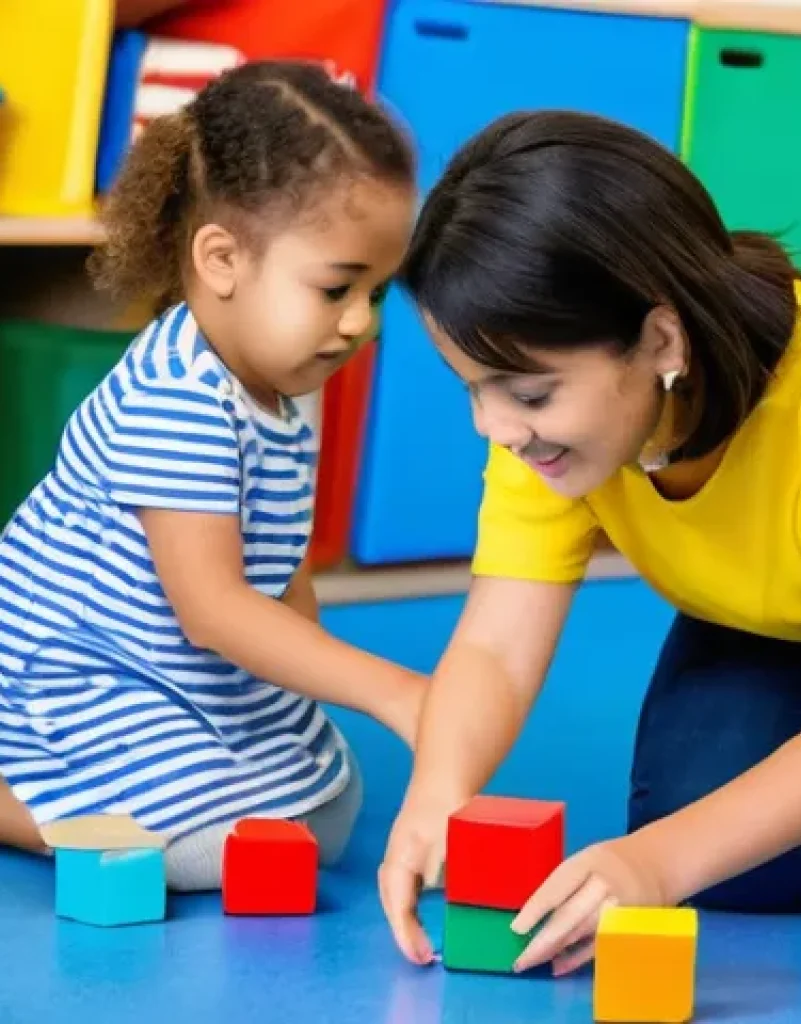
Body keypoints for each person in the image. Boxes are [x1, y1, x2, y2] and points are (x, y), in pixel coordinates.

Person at [378, 109, 801, 969]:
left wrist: (646, 865)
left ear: (661, 339)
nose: (495, 427)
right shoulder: (543, 430)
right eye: (473, 389)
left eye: (527, 395)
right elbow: (496, 645)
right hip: (782, 616)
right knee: (739, 877)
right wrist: (436, 796)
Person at [0, 61, 424, 890]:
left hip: (184, 663)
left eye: (377, 293)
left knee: (329, 812)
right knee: (192, 852)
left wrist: (304, 692)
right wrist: (394, 691)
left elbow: (281, 571)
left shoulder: (276, 380)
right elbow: (215, 610)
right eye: (337, 287)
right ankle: (17, 798)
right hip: (85, 668)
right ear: (222, 258)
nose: (359, 324)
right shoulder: (175, 400)